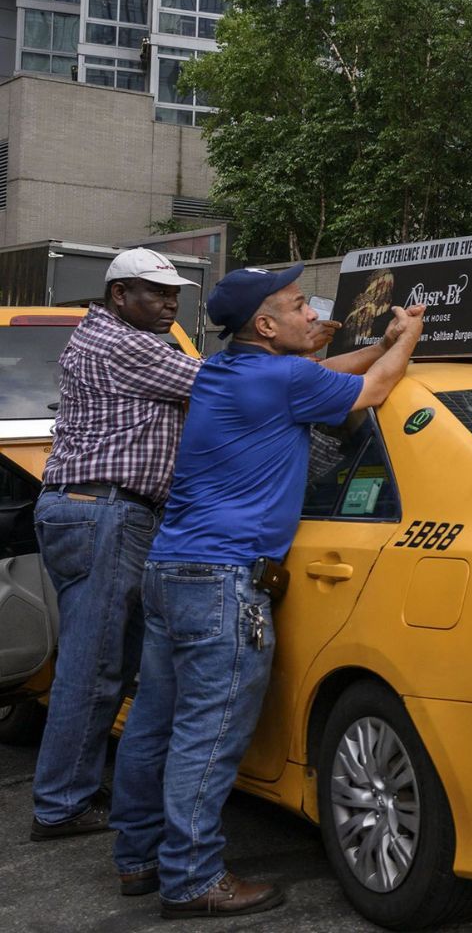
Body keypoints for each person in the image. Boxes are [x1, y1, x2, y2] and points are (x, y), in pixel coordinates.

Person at [108, 266, 423, 916]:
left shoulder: (227, 373)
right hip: (223, 582)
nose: (313, 313)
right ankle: (192, 879)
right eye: (299, 305)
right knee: (207, 735)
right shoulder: (283, 379)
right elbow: (376, 386)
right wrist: (408, 337)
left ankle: (137, 859)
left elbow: (331, 369)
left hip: (172, 571)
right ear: (266, 325)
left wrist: (380, 341)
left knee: (153, 725)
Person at [27, 249, 201, 842]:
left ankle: (68, 786)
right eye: (155, 293)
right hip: (102, 510)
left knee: (105, 661)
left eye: (174, 293)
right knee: (94, 666)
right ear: (119, 296)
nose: (170, 302)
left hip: (95, 510)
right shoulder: (123, 344)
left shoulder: (111, 337)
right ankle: (60, 805)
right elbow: (222, 387)